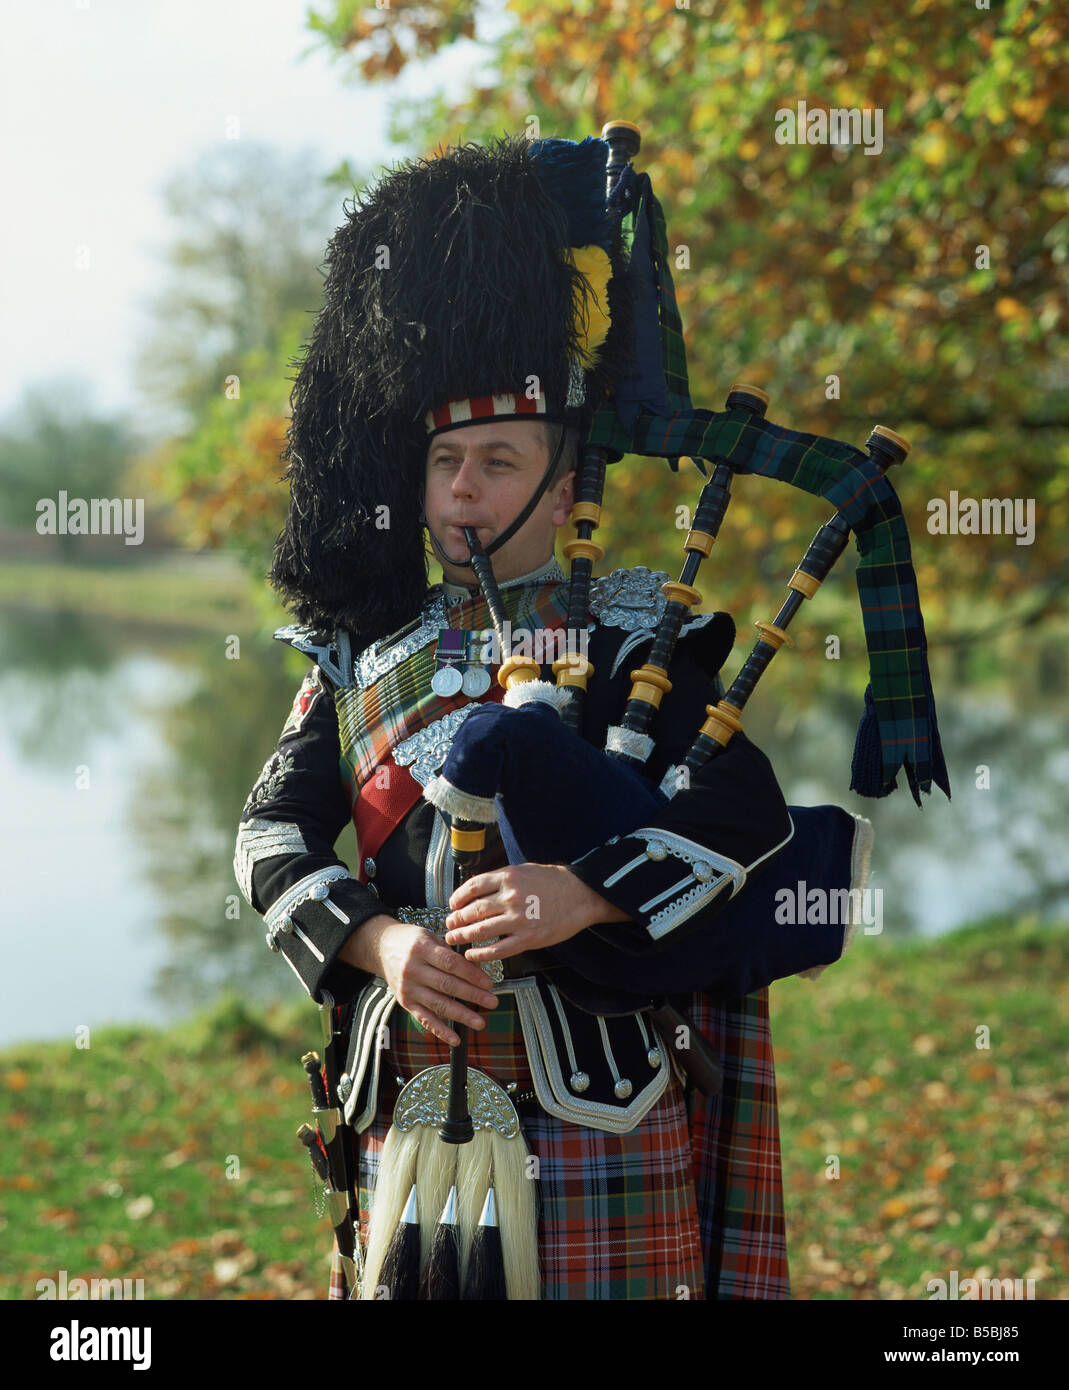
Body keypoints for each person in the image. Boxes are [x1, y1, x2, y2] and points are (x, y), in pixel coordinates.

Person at [234, 132, 924, 1299]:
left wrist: (585, 893)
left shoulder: (636, 634)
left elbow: (737, 812)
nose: (462, 491)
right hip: (405, 1094)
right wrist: (380, 942)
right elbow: (268, 839)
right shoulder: (356, 656)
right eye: (445, 461)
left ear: (561, 486)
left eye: (497, 462)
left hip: (598, 1104)